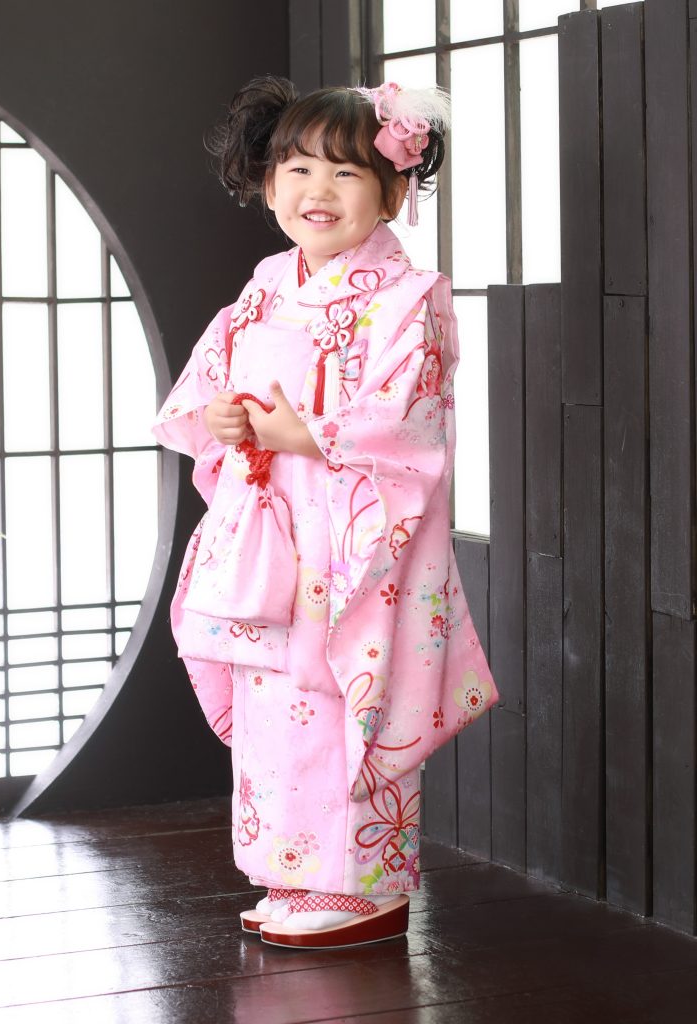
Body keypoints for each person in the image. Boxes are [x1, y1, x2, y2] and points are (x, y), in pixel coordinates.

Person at [152, 76, 498, 949]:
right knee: (273, 697)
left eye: (345, 173)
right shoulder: (267, 285)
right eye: (298, 169)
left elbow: (410, 424)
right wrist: (224, 420)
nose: (319, 190)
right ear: (269, 184)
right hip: (270, 529)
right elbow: (211, 386)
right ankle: (292, 871)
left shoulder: (410, 298)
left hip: (351, 542)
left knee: (342, 692)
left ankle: (363, 887)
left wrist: (308, 435)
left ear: (393, 192)